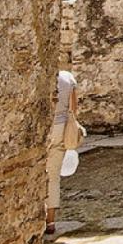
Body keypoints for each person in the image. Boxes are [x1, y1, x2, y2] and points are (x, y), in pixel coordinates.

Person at [47, 69, 82, 235]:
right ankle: (50, 221)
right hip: (61, 128)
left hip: (44, 126)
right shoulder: (68, 78)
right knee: (53, 176)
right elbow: (74, 109)